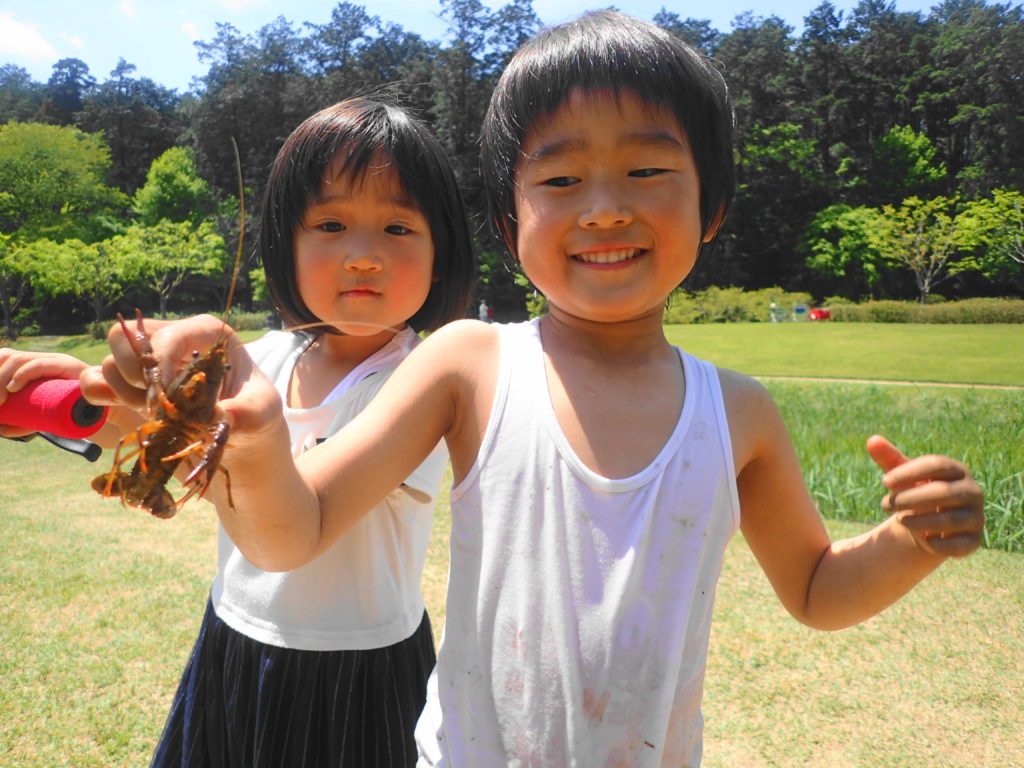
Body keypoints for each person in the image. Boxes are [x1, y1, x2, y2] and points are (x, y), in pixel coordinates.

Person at [89, 12, 984, 767]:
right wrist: (255, 444)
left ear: (711, 208)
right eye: (559, 179)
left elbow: (819, 590)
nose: (602, 208)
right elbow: (299, 533)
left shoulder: (737, 411)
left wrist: (910, 541)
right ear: (509, 217)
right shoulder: (469, 364)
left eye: (646, 171)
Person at [80, 96, 475, 767]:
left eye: (399, 229)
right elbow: (153, 429)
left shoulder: (420, 384)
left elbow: (290, 531)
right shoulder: (263, 358)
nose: (363, 256)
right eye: (330, 223)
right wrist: (60, 392)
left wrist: (254, 441)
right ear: (286, 244)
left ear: (441, 257)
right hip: (232, 635)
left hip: (355, 671)